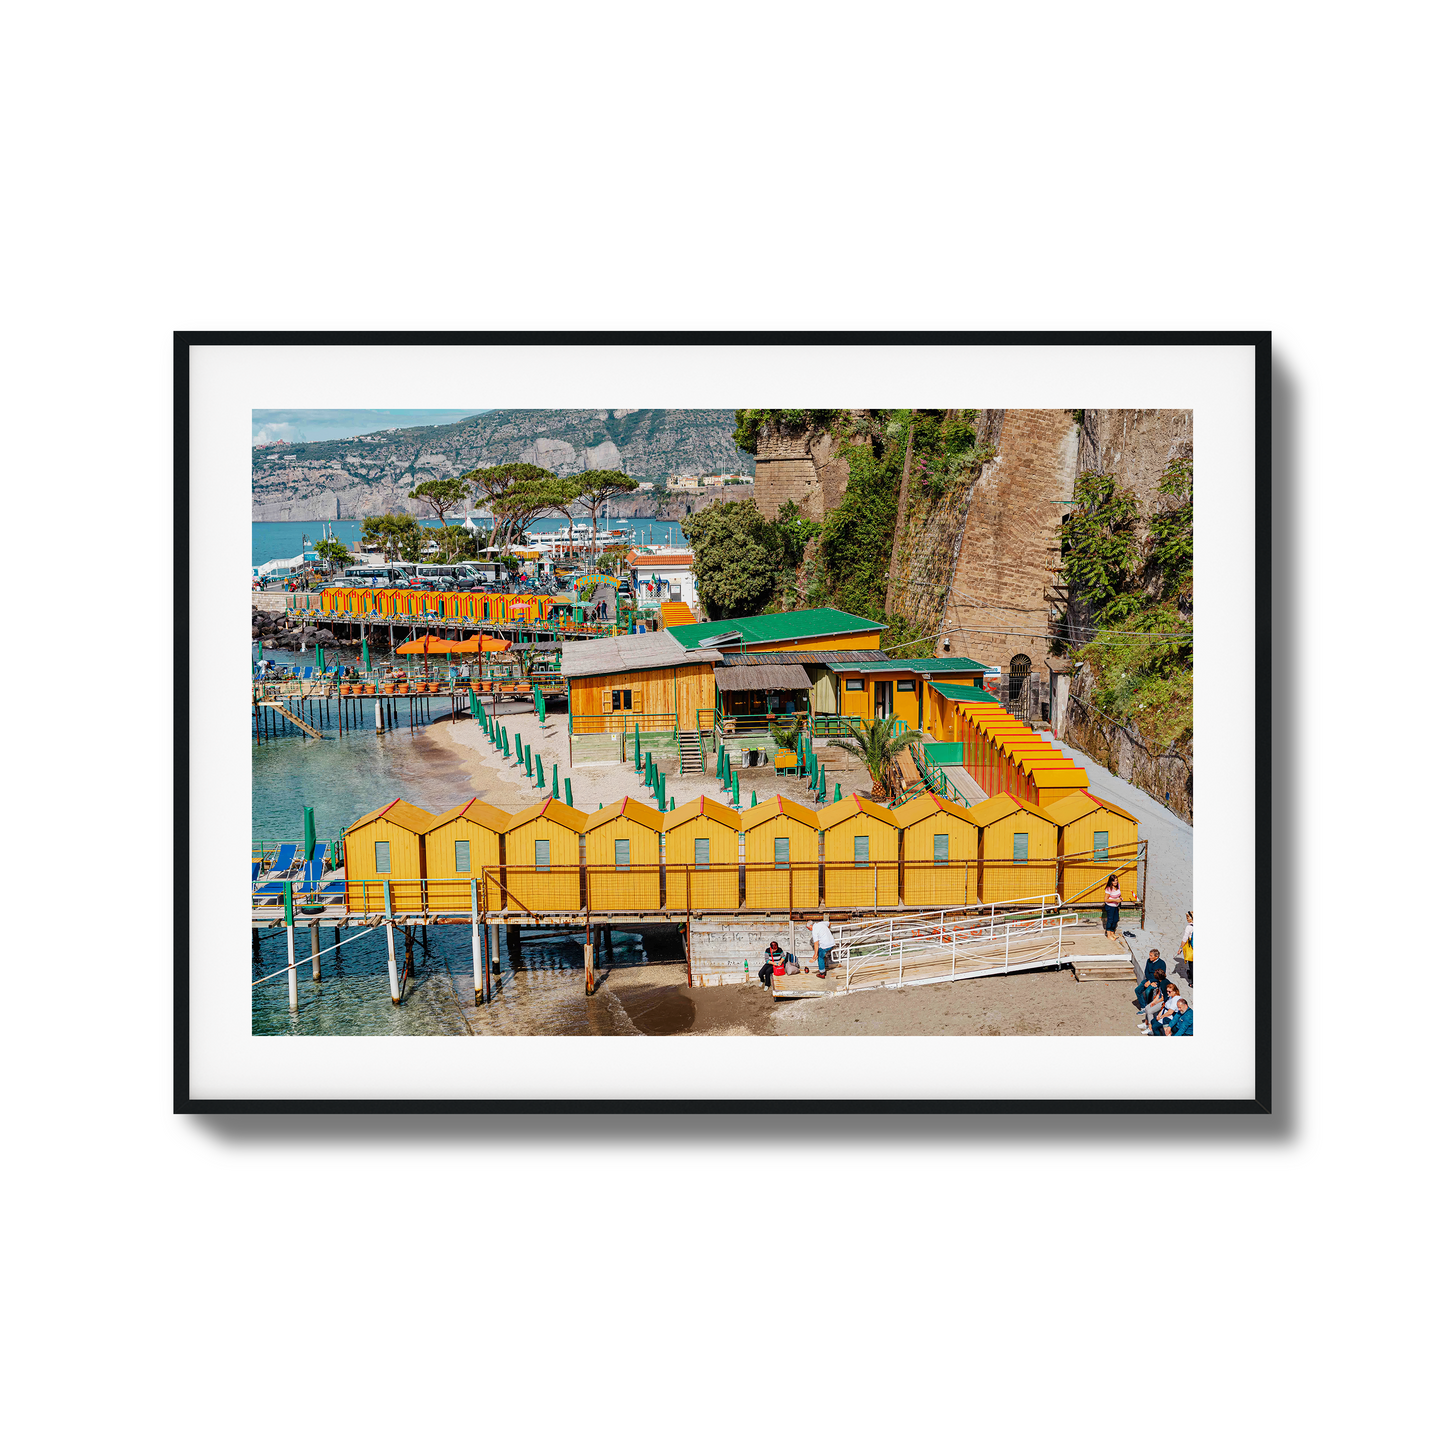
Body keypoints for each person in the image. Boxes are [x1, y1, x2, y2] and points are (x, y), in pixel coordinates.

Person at [1177, 910, 1194, 986]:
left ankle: (1193, 982)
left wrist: (1180, 948)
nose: (1187, 919)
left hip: (1192, 948)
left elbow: (1184, 939)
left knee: (1192, 964)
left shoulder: (1189, 927)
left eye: (1187, 917)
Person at [1103, 874, 1122, 939]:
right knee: (1110, 920)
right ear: (1111, 882)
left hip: (1116, 906)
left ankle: (1112, 933)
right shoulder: (1108, 889)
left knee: (1116, 919)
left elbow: (1119, 894)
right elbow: (1106, 899)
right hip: (1110, 906)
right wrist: (1116, 900)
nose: (1115, 882)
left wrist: (1120, 897)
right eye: (1114, 881)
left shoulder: (1118, 886)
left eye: (1116, 880)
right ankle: (1108, 935)